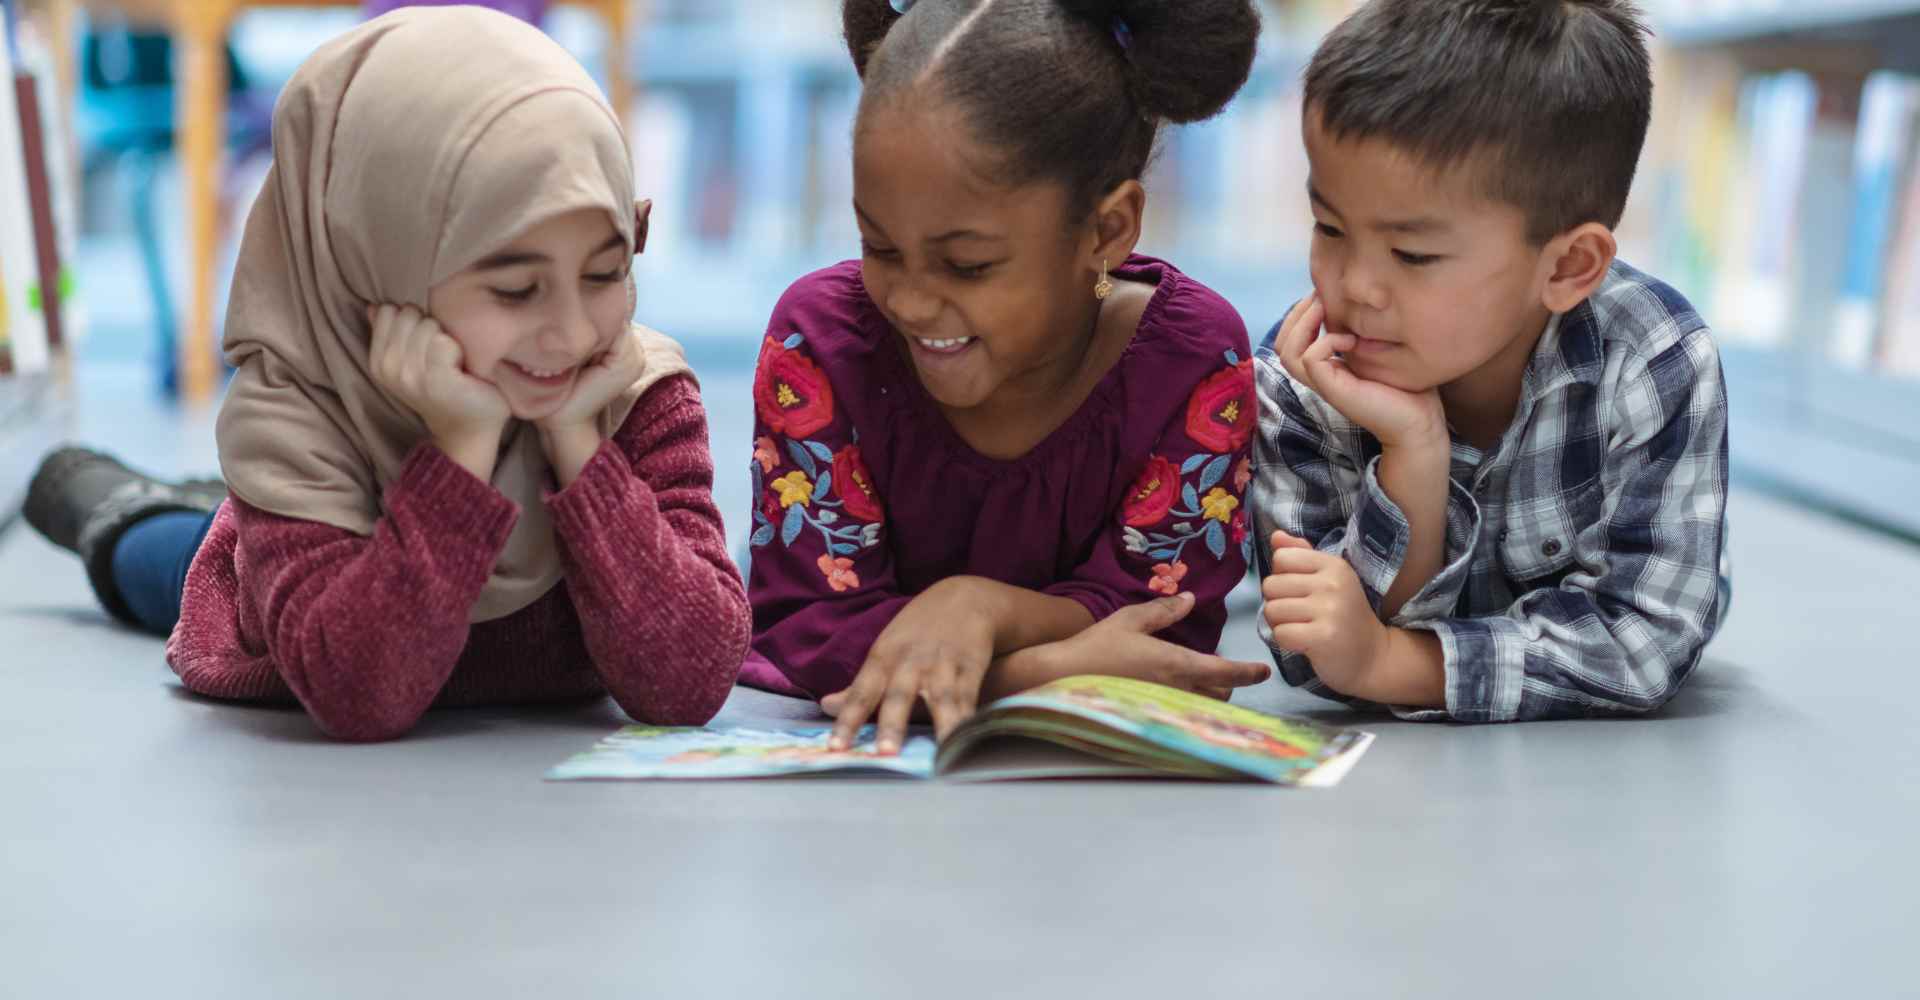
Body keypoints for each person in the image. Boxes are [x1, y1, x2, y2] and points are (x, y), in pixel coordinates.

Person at [22, 7, 748, 740]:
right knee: (169, 556)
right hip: (279, 604)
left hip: (378, 530)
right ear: (381, 256)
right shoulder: (298, 414)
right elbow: (361, 695)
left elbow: (690, 682)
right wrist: (464, 451)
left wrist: (578, 445)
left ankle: (212, 504)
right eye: (514, 289)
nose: (570, 333)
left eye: (604, 271)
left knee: (233, 518)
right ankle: (112, 504)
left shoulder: (634, 390)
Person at [742, 0, 1273, 754]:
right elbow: (809, 629)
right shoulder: (820, 343)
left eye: (969, 265)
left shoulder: (1195, 359)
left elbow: (1162, 626)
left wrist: (978, 609)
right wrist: (1052, 667)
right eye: (879, 246)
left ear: (1107, 231)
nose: (913, 300)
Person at [1252, 0, 1729, 722]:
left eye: (1413, 254)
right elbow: (1312, 647)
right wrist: (1414, 452)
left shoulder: (1652, 359)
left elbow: (1642, 641)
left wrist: (1391, 663)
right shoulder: (1303, 371)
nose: (1352, 286)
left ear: (1569, 265)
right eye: (1329, 227)